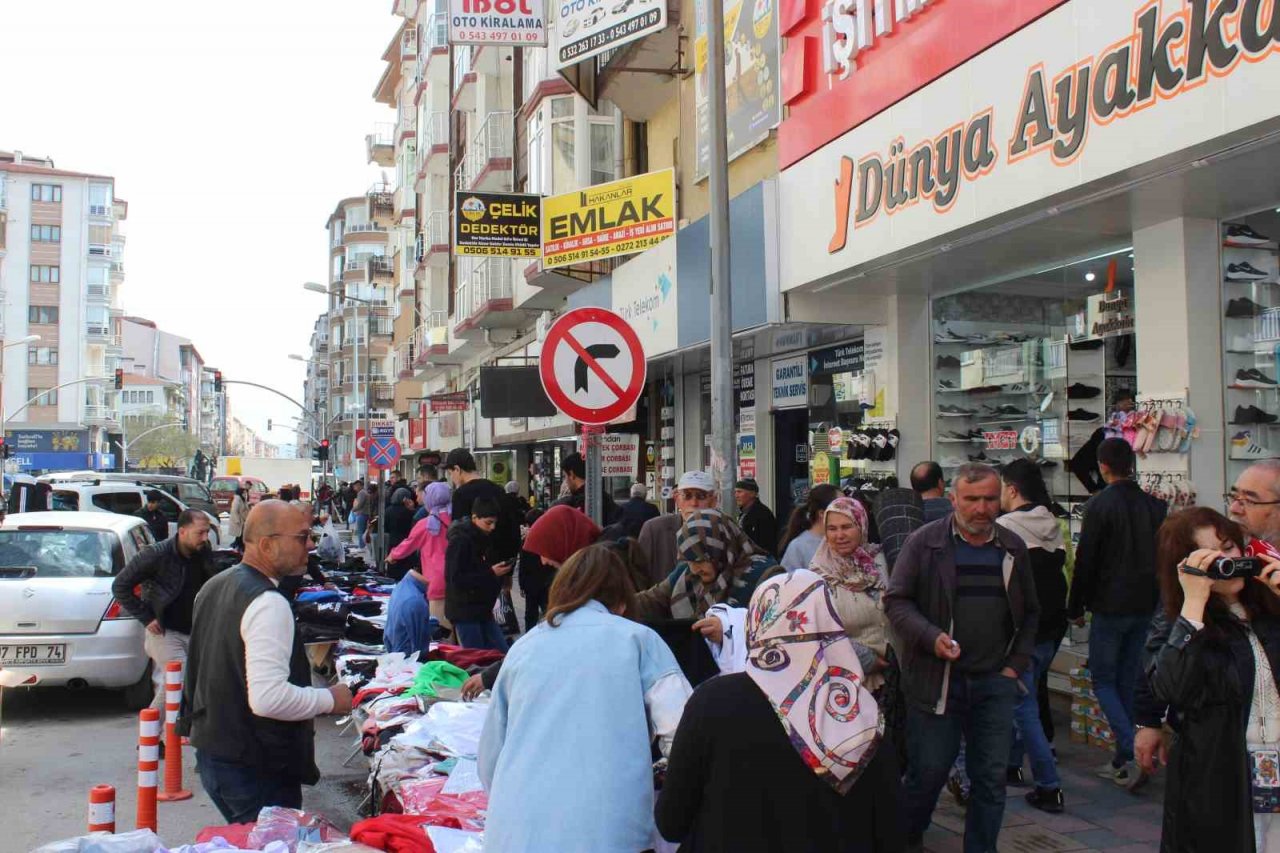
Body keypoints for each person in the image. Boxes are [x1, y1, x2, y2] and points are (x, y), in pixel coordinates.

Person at [656, 569, 904, 852]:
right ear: (830, 624)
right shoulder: (859, 716)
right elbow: (891, 833)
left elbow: (671, 822)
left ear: (757, 623)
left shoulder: (711, 702)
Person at [478, 545, 692, 853]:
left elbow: (490, 760)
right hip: (608, 832)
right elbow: (684, 733)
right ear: (621, 598)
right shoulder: (638, 640)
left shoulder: (524, 648)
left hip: (515, 833)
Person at [885, 463, 1039, 853]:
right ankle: (904, 842)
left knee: (989, 780)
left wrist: (1013, 666)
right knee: (928, 774)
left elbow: (1033, 612)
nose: (981, 508)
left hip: (994, 682)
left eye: (990, 499)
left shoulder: (1012, 547)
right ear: (954, 499)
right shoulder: (925, 543)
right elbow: (897, 602)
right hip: (937, 682)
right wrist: (930, 636)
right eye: (972, 500)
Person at [180, 501, 353, 824]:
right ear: (267, 544)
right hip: (254, 765)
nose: (311, 545)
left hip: (217, 754)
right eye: (302, 537)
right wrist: (331, 699)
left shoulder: (216, 585)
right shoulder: (267, 602)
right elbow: (268, 698)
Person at [1134, 460, 1280, 778]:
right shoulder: (1191, 603)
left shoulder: (1265, 592)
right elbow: (1162, 669)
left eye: (1249, 499)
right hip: (1226, 764)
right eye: (1234, 496)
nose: (1237, 509)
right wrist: (1148, 719)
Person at [1147, 507, 1280, 852]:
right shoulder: (1181, 621)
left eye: (1228, 547)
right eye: (1210, 556)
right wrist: (1194, 602)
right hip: (1221, 776)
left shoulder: (1268, 608)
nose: (1225, 561)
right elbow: (1170, 688)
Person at [1068, 437, 1167, 787]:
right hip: (1146, 604)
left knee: (1104, 679)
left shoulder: (1099, 506)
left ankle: (1130, 748)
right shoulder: (1156, 507)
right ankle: (1127, 754)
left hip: (1110, 605)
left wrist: (1075, 604)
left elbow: (1086, 560)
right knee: (1128, 679)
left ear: (1102, 466)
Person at [995, 459, 1069, 813]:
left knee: (1024, 707)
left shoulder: (1005, 529)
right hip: (1053, 626)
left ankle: (1049, 785)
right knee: (1024, 696)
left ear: (1011, 489)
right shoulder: (1052, 522)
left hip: (1022, 629)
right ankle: (1011, 765)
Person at [111, 511, 214, 710]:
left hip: (193, 630)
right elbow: (120, 586)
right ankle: (149, 736)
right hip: (165, 631)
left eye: (207, 532)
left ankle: (173, 735)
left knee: (187, 684)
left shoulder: (203, 552)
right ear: (182, 532)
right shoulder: (156, 554)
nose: (205, 538)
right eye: (200, 533)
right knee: (178, 678)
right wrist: (146, 617)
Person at [632, 508, 782, 624]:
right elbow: (651, 600)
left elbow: (775, 622)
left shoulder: (766, 576)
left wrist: (728, 628)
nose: (695, 569)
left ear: (720, 549)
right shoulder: (685, 574)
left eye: (700, 560)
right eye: (689, 561)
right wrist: (617, 603)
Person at [445, 497, 513, 651]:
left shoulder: (482, 537)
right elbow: (455, 578)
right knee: (477, 657)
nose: (492, 527)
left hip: (482, 609)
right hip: (465, 610)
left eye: (494, 523)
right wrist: (490, 573)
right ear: (475, 518)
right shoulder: (460, 540)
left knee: (500, 654)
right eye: (488, 523)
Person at [387, 481, 452, 628]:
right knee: (456, 627)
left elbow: (408, 544)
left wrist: (392, 556)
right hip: (458, 576)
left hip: (437, 580)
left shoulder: (426, 524)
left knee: (440, 630)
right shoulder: (456, 520)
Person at [637, 470, 719, 583]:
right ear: (677, 500)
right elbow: (639, 576)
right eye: (687, 496)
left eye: (701, 496)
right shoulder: (654, 529)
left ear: (713, 501)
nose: (694, 503)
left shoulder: (724, 532)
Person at [445, 448, 519, 562]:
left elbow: (458, 533)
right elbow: (511, 525)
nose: (451, 478)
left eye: (450, 473)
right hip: (501, 559)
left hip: (475, 562)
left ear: (457, 469)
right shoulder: (498, 489)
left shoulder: (461, 494)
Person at [778, 483, 841, 571]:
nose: (846, 511)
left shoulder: (846, 540)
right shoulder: (799, 546)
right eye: (840, 507)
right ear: (822, 513)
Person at [383, 560, 436, 658]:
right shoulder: (415, 601)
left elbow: (387, 634)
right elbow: (419, 648)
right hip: (408, 660)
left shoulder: (401, 588)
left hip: (396, 653)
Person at [554, 451, 620, 523]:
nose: (565, 481)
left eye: (565, 476)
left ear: (572, 474)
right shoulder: (606, 498)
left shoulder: (571, 505)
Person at [735, 478, 778, 555]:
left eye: (739, 492)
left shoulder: (763, 515)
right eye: (735, 492)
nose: (736, 496)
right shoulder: (743, 514)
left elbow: (766, 544)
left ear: (752, 494)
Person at [382, 487, 418, 575]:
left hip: (393, 541)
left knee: (393, 567)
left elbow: (385, 527)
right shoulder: (410, 511)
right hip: (408, 542)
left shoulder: (388, 510)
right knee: (406, 569)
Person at [228, 486, 250, 552]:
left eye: (245, 492)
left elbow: (245, 508)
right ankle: (238, 547)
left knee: (240, 535)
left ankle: (237, 546)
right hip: (238, 520)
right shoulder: (237, 499)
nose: (245, 494)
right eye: (244, 492)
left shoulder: (243, 499)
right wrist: (237, 520)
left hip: (243, 519)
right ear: (241, 492)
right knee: (240, 534)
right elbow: (234, 510)